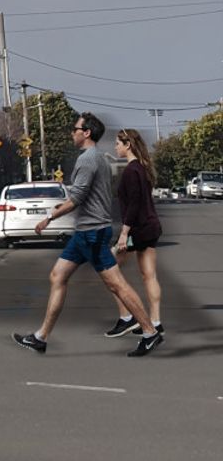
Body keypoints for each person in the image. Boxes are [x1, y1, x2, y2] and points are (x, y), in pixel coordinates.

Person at [13, 113, 162, 356]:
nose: (72, 132)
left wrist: (50, 217)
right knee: (57, 275)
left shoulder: (88, 160)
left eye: (75, 129)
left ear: (86, 133)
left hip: (92, 234)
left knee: (117, 285)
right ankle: (41, 337)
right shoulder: (99, 158)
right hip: (85, 233)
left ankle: (150, 332)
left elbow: (76, 198)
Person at [106, 128, 165, 338]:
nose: (115, 147)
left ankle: (127, 317)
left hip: (138, 229)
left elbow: (134, 204)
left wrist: (124, 233)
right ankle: (155, 322)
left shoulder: (132, 170)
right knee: (149, 275)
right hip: (151, 227)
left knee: (109, 268)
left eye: (117, 143)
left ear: (127, 144)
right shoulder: (143, 167)